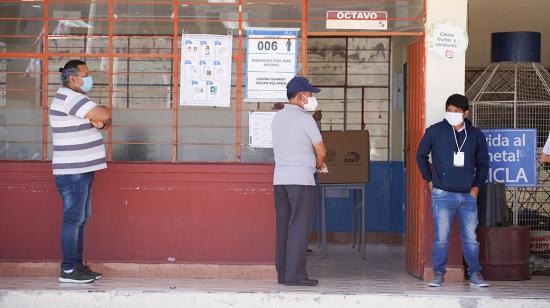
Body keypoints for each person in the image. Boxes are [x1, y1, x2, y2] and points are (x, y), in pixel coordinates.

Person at [416, 94, 490, 288]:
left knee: (471, 239)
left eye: (457, 111)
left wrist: (476, 187)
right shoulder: (434, 131)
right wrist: (429, 180)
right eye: (449, 110)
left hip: (467, 195)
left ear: (466, 113)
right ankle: (439, 275)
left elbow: (483, 164)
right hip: (442, 195)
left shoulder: (475, 135)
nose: (452, 114)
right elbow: (420, 156)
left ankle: (475, 274)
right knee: (441, 237)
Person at [49, 60, 111, 283]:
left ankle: (76, 265)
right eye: (86, 74)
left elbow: (105, 121)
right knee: (73, 219)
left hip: (82, 169)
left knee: (81, 219)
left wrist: (100, 119)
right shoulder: (70, 98)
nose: (90, 77)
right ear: (73, 77)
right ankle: (68, 269)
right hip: (73, 171)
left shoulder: (77, 99)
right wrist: (99, 116)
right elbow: (104, 114)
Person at [271, 76, 327, 287]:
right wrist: (319, 164)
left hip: (280, 180)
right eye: (310, 93)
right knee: (299, 228)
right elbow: (321, 150)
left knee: (284, 227)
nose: (311, 97)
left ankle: (283, 274)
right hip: (301, 180)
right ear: (300, 95)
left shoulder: (278, 118)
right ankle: (295, 275)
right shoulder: (306, 119)